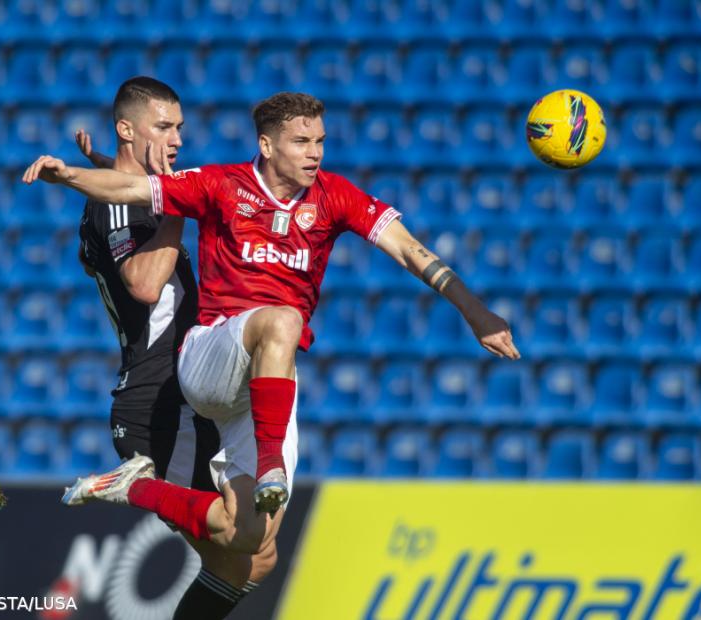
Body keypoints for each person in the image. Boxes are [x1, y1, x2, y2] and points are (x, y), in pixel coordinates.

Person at [30, 90, 520, 570]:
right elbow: (130, 188)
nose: (315, 154)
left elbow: (411, 250)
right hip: (211, 356)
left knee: (249, 540)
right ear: (266, 146)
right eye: (302, 143)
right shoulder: (223, 184)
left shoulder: (335, 195)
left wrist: (473, 311)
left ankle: (131, 486)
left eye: (320, 142)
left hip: (267, 379)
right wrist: (70, 175)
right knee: (283, 317)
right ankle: (270, 464)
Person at [68, 76, 273, 619]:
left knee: (259, 555)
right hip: (155, 402)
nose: (178, 138)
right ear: (127, 130)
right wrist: (179, 199)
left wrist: (131, 172)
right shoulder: (118, 202)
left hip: (184, 394)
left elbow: (123, 191)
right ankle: (130, 487)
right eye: (164, 126)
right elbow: (142, 284)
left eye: (180, 126)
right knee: (236, 546)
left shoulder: (132, 191)